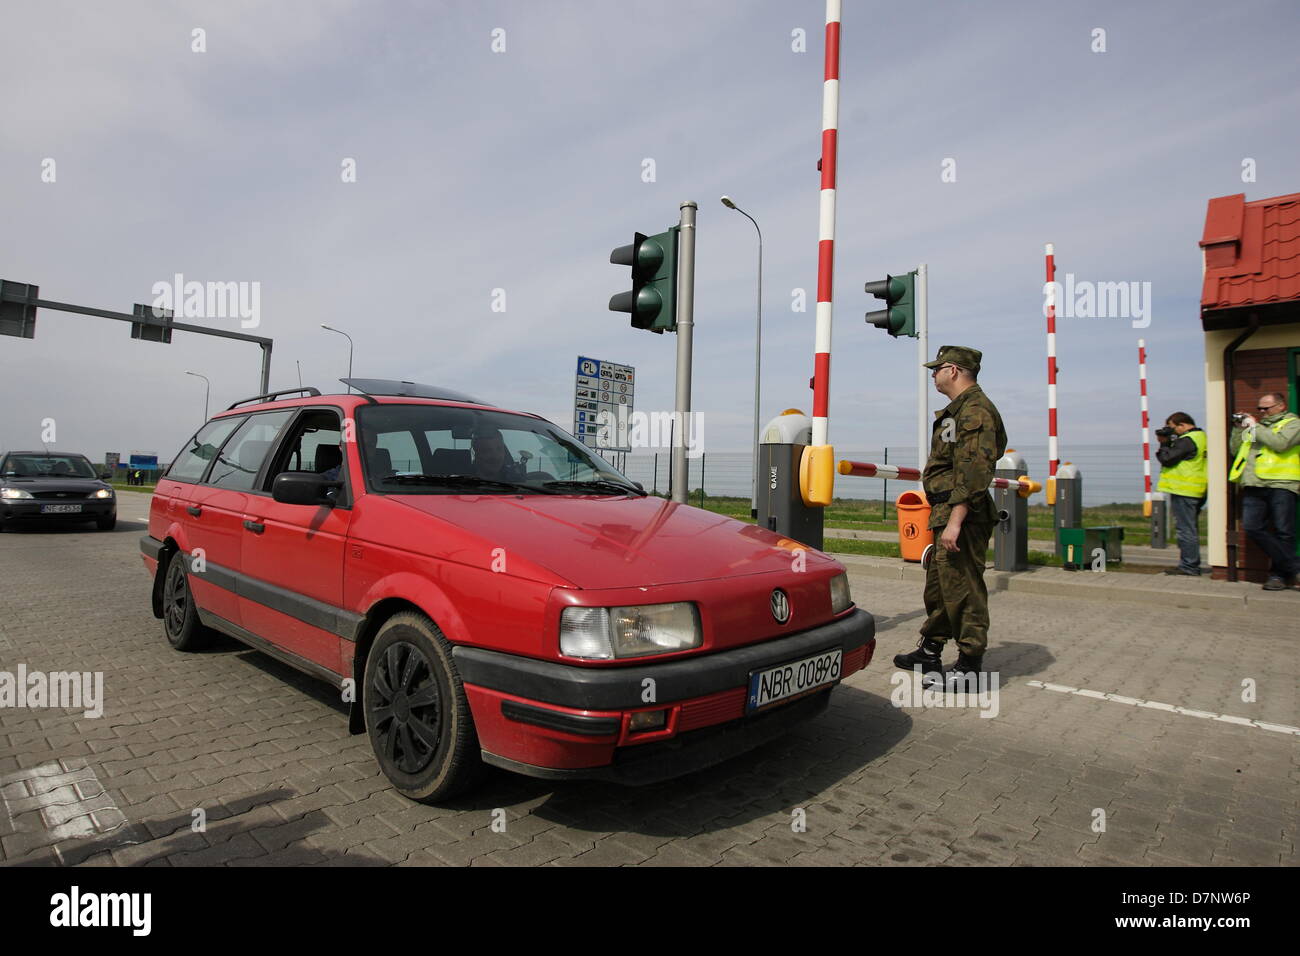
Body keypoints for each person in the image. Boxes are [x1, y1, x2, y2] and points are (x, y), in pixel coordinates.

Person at [894, 345, 1007, 683]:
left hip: (963, 513)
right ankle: (930, 651)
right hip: (946, 510)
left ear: (954, 370)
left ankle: (970, 666)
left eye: (937, 369)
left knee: (963, 588)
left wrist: (955, 521)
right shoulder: (959, 410)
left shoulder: (975, 412)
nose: (933, 375)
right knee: (941, 587)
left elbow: (973, 472)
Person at [1230, 393, 1300, 590]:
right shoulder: (1256, 427)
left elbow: (1280, 444)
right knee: (1252, 527)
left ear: (1281, 406)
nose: (1261, 412)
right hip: (1254, 483)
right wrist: (1238, 429)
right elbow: (1237, 450)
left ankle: (1278, 577)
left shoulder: (1293, 424)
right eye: (1259, 409)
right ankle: (1295, 567)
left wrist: (1254, 425)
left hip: (1282, 483)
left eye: (1266, 408)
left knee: (1283, 532)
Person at [1155, 412, 1207, 576]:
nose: (1171, 432)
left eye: (1172, 428)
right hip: (1195, 488)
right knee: (1189, 528)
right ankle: (1189, 563)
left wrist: (1164, 444)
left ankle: (1189, 566)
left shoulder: (1187, 440)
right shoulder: (1201, 437)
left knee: (1186, 529)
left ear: (1182, 425)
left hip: (1184, 490)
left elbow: (1167, 458)